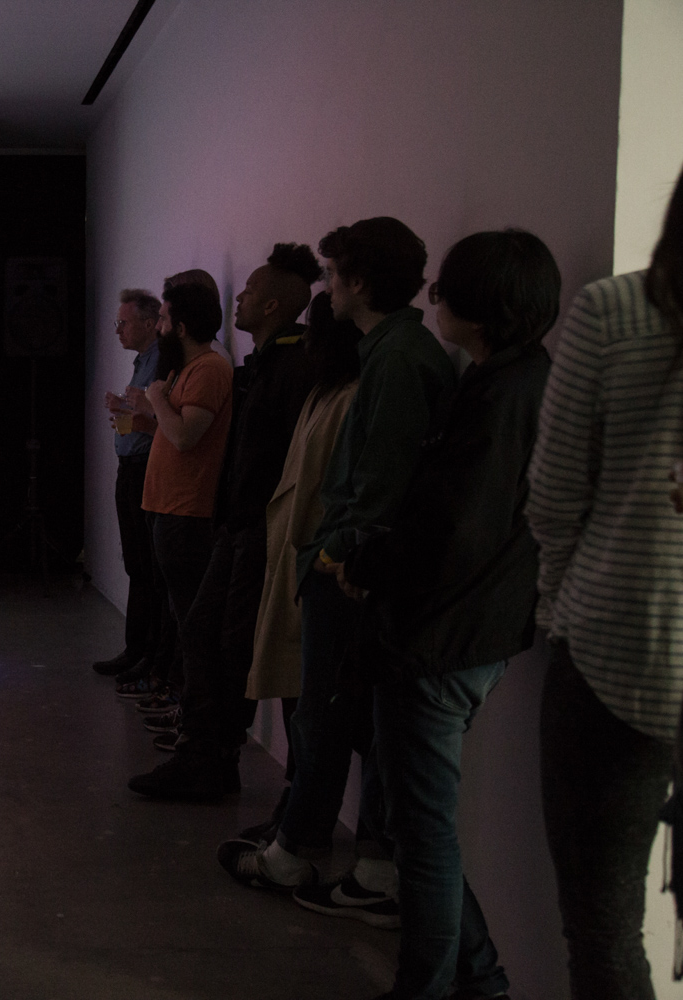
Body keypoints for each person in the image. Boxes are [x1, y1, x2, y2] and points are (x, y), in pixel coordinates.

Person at [331, 230, 559, 1000]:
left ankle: (436, 988)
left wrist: (368, 569)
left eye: (447, 291)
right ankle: (481, 981)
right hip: (476, 635)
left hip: (441, 642)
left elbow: (450, 527)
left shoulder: (499, 394)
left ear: (482, 306)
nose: (434, 302)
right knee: (415, 827)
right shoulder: (524, 381)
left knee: (420, 838)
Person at [219, 217, 455, 919]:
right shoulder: (392, 352)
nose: (324, 287)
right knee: (346, 718)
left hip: (353, 574)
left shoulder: (399, 358)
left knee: (332, 716)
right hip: (354, 567)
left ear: (357, 280)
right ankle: (338, 855)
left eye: (332, 274)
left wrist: (334, 554)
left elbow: (381, 480)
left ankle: (303, 854)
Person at [528, 165, 683, 1000]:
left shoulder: (615, 311)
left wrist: (562, 603)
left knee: (604, 924)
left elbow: (552, 495)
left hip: (620, 645)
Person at [128, 244, 319, 798]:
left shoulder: (286, 371)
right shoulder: (259, 368)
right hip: (235, 527)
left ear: (276, 304)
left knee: (222, 642)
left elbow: (199, 439)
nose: (240, 297)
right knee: (204, 635)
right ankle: (206, 755)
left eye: (252, 291)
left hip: (256, 530)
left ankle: (215, 761)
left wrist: (158, 399)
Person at [238, 292, 362, 842]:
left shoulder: (349, 396)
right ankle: (297, 814)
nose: (306, 342)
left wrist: (322, 558)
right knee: (303, 706)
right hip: (303, 564)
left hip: (320, 571)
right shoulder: (326, 392)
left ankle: (302, 830)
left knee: (317, 711)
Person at [121, 279, 234, 714]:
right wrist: (152, 411)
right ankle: (180, 698)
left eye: (164, 318)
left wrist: (155, 400)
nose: (159, 326)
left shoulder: (208, 369)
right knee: (176, 610)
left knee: (190, 618)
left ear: (181, 326)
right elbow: (173, 431)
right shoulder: (187, 369)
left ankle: (191, 709)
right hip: (166, 506)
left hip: (186, 510)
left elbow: (187, 436)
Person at [94, 289, 164, 678]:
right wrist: (124, 407)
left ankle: (143, 653)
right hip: (132, 466)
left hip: (144, 468)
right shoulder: (143, 362)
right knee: (137, 564)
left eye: (124, 323)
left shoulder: (160, 362)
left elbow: (160, 420)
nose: (118, 330)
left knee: (145, 567)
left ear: (149, 324)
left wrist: (136, 416)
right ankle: (136, 650)